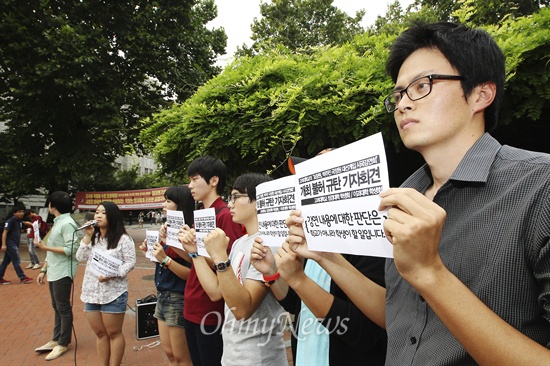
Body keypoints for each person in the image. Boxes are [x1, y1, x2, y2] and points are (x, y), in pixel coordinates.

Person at [286, 22, 550, 365]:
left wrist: (431, 273)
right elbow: (400, 316)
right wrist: (327, 257)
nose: (403, 105)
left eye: (422, 86)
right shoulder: (401, 196)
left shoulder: (539, 186)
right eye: (398, 95)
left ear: (481, 94)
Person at [183, 173, 288, 365]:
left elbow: (242, 309)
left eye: (236, 197)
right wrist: (195, 253)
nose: (230, 204)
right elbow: (216, 291)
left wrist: (220, 257)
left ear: (259, 200)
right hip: (233, 353)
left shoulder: (268, 245)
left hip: (258, 356)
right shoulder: (241, 242)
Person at [175, 155, 244, 366]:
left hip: (211, 310)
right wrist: (179, 246)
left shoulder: (225, 215)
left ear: (213, 181)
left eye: (195, 178)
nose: (190, 185)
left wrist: (197, 252)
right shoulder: (203, 214)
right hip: (193, 303)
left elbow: (228, 266)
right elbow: (198, 260)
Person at [139, 186, 194, 365]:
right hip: (162, 294)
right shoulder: (166, 228)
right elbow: (164, 261)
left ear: (181, 205)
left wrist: (164, 260)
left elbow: (192, 273)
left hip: (178, 296)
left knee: (181, 356)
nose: (164, 205)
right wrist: (152, 253)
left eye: (168, 201)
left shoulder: (188, 232)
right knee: (169, 353)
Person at [76, 201, 136, 366]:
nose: (98, 216)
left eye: (103, 213)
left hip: (113, 293)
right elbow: (80, 257)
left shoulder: (124, 239)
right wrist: (87, 236)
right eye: (96, 213)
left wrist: (112, 274)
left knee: (114, 333)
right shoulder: (93, 237)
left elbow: (130, 262)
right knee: (100, 333)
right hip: (91, 292)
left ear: (113, 216)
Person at [34, 191, 79, 361]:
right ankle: (56, 339)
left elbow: (70, 249)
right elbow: (54, 250)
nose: (48, 206)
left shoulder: (67, 223)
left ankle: (63, 342)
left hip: (63, 271)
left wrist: (44, 249)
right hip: (54, 270)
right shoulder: (59, 222)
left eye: (49, 203)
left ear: (53, 206)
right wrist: (44, 269)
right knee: (57, 306)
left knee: (63, 307)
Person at [0, 205, 33, 285]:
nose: (21, 213)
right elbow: (5, 232)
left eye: (22, 212)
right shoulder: (10, 221)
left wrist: (26, 227)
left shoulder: (19, 221)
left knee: (5, 262)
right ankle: (22, 277)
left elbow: (16, 231)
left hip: (14, 244)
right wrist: (3, 244)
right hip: (11, 244)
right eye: (19, 212)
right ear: (14, 213)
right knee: (16, 261)